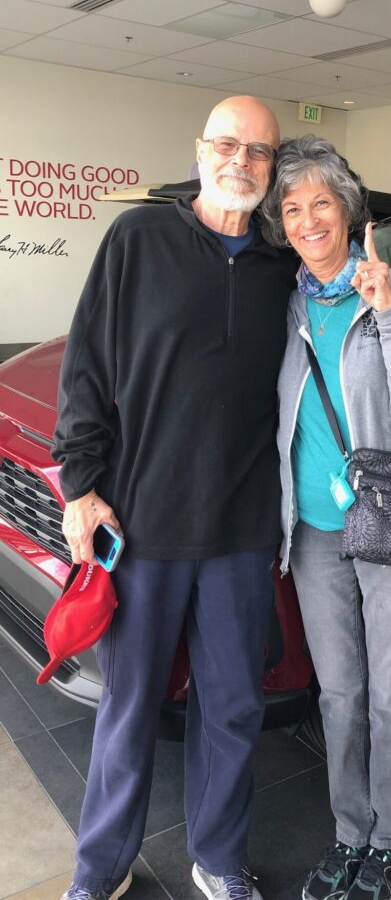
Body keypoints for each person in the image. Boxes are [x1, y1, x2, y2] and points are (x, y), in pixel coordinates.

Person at [53, 96, 298, 900]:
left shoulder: (280, 264)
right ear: (199, 151)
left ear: (272, 165)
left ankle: (220, 860)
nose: (242, 161)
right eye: (228, 144)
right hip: (143, 521)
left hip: (240, 527)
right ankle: (100, 870)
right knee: (126, 712)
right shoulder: (138, 238)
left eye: (259, 151)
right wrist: (82, 486)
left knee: (231, 710)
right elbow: (86, 366)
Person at [261, 136, 391, 900]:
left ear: (347, 209)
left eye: (321, 204)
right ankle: (349, 832)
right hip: (311, 533)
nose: (307, 221)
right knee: (337, 694)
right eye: (293, 208)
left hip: (390, 519)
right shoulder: (288, 302)